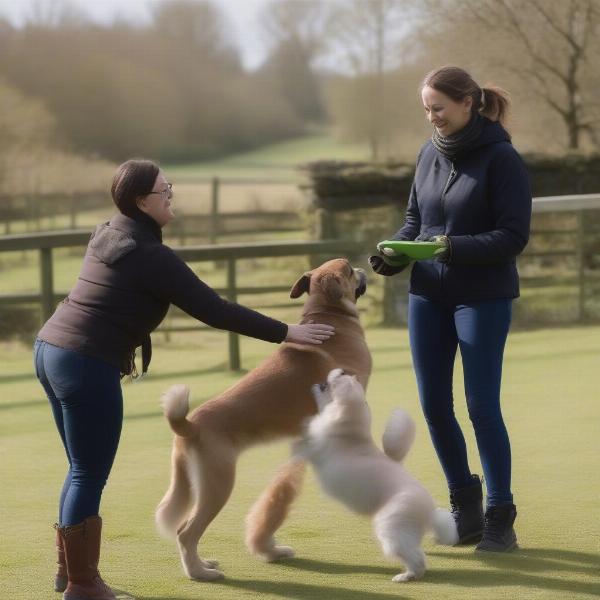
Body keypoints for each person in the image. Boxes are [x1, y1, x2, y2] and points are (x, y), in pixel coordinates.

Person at [34, 159, 335, 600]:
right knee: (87, 474)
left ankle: (70, 574)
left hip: (51, 351)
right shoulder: (152, 256)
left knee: (79, 470)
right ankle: (82, 586)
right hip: (84, 362)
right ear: (141, 201)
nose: (171, 193)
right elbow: (215, 310)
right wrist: (290, 332)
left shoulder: (107, 231)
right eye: (163, 189)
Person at [369, 66, 531, 552]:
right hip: (427, 296)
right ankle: (467, 507)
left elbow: (512, 236)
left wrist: (451, 247)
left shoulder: (503, 159)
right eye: (426, 109)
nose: (432, 117)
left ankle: (500, 514)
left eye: (439, 108)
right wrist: (392, 251)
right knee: (435, 405)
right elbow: (416, 221)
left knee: (481, 406)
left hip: (483, 296)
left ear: (468, 103)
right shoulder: (427, 154)